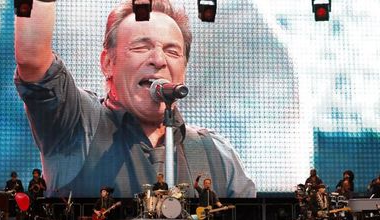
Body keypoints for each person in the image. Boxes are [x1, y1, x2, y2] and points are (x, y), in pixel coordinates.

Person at [13, 0, 256, 198]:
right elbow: (33, 60)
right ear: (108, 63)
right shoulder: (78, 124)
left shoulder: (215, 153)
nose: (159, 60)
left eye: (172, 51)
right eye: (141, 47)